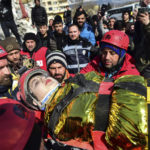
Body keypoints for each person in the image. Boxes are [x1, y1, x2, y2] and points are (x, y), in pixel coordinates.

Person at [18, 68, 148, 150]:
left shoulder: (74, 82)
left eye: (44, 75)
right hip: (136, 122)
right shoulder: (56, 123)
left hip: (138, 94)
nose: (43, 78)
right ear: (35, 101)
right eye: (36, 83)